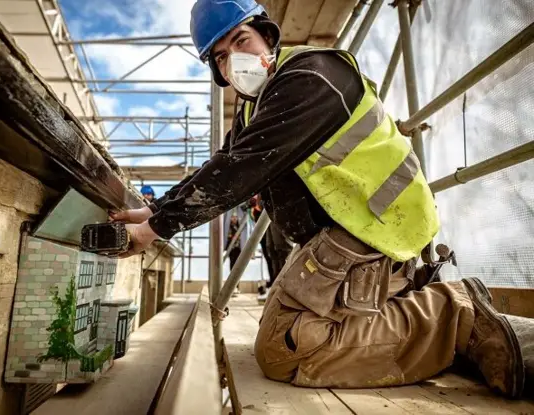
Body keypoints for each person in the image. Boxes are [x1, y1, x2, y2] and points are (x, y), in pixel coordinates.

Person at [110, 0, 531, 398]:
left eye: (240, 41)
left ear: (266, 36)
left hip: (379, 226)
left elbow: (241, 168)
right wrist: (155, 210)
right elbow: (223, 161)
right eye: (220, 57)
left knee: (283, 349)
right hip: (342, 232)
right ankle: (401, 308)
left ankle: (456, 315)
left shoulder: (309, 77)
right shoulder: (252, 109)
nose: (233, 60)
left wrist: (153, 229)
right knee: (286, 327)